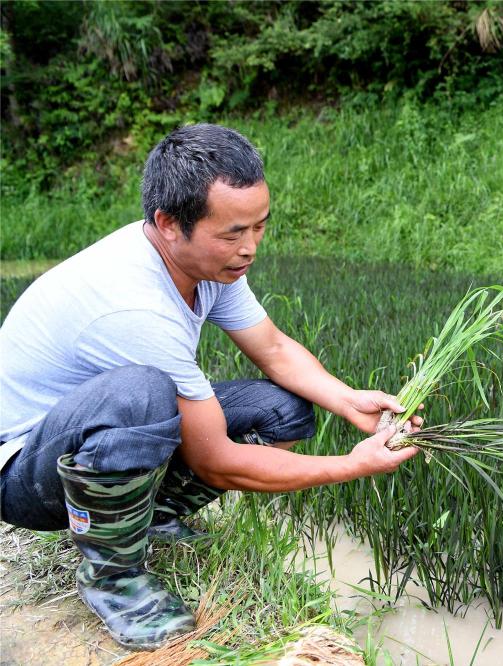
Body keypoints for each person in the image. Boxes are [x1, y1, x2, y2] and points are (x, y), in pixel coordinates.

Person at [0, 124, 422, 650]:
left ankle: (146, 519)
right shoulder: (133, 307)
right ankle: (112, 576)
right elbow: (214, 460)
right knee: (141, 395)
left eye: (259, 228)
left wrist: (349, 401)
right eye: (232, 234)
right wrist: (354, 466)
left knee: (286, 410)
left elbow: (273, 348)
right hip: (24, 472)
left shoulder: (208, 265)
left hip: (91, 432)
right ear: (169, 224)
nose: (249, 249)